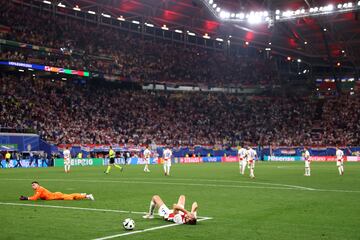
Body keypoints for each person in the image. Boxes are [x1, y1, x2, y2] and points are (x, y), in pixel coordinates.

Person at [19, 181, 94, 201]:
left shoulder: (40, 189)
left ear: (38, 185)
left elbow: (35, 198)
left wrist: (26, 198)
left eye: (34, 185)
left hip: (57, 196)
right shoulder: (39, 189)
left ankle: (87, 196)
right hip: (56, 195)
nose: (33, 186)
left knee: (71, 197)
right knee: (71, 196)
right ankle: (82, 194)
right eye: (32, 185)